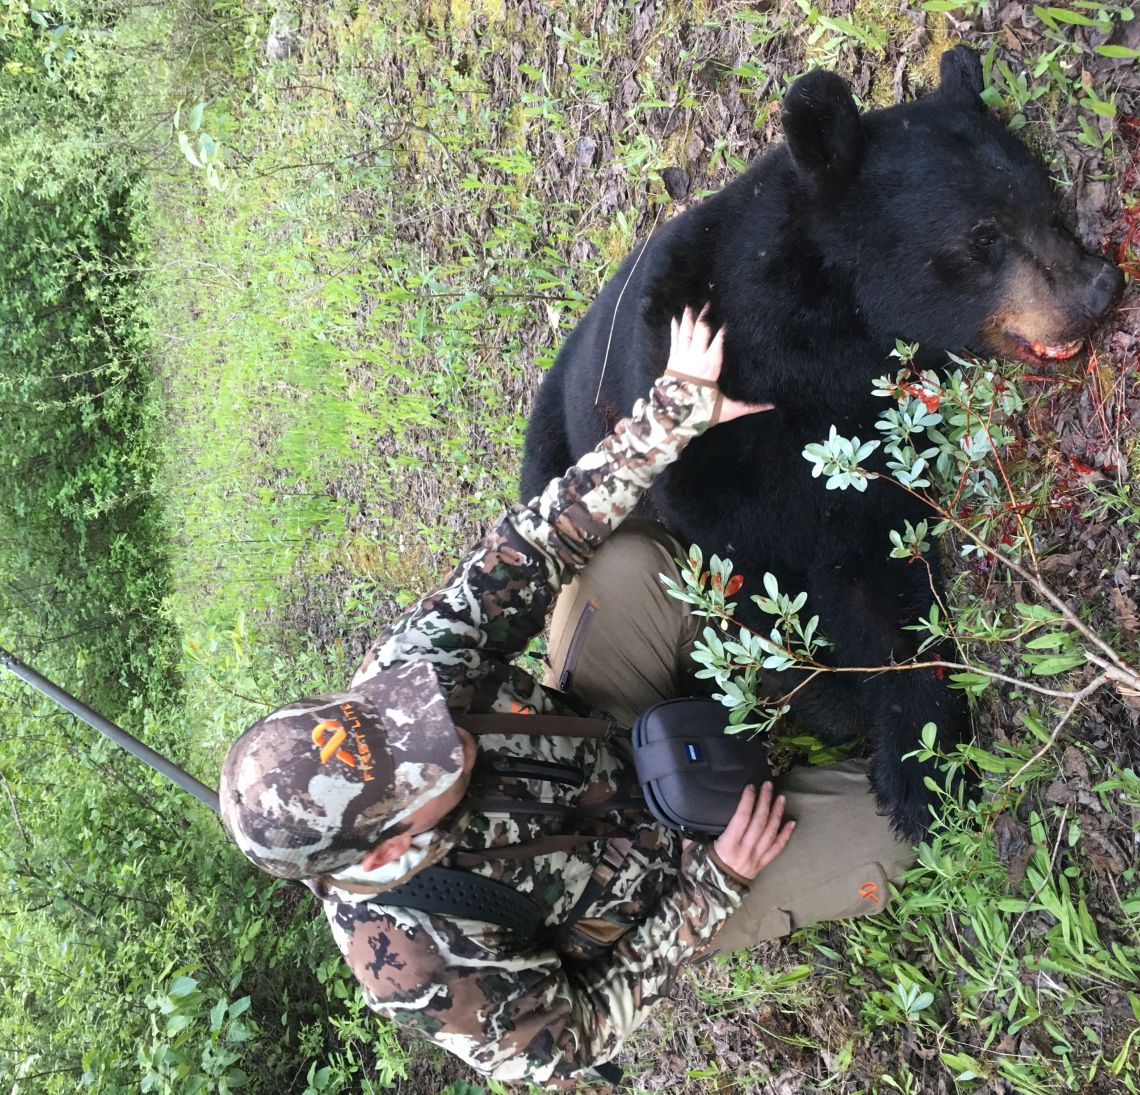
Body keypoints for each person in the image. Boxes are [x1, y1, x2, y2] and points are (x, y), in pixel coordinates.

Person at [218, 309, 916, 1088]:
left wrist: (668, 416)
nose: (444, 725)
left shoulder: (403, 675)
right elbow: (571, 1038)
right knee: (902, 826)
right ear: (387, 850)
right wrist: (716, 881)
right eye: (432, 760)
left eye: (408, 717)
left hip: (599, 724)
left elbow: (532, 548)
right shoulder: (414, 959)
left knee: (629, 561)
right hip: (666, 882)